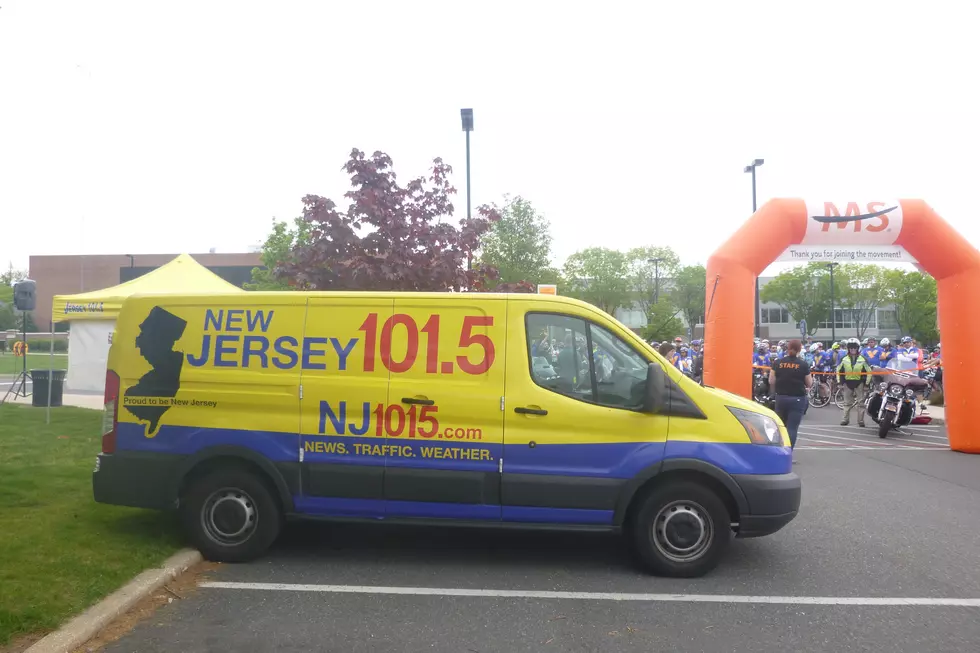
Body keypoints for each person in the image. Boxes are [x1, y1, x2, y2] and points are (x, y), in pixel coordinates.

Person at [769, 339, 812, 449]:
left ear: (787, 349)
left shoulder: (778, 362)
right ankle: (788, 452)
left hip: (781, 397)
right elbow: (809, 383)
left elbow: (771, 381)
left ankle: (776, 450)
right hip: (797, 398)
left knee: (780, 427)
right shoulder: (803, 364)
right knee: (792, 428)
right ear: (799, 349)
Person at [837, 337, 873, 426]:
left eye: (855, 348)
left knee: (861, 403)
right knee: (846, 403)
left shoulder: (863, 359)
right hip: (847, 383)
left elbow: (869, 372)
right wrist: (840, 383)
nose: (853, 349)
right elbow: (839, 371)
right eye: (851, 348)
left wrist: (866, 384)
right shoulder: (843, 359)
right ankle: (845, 419)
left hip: (859, 383)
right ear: (848, 348)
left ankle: (860, 421)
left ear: (858, 348)